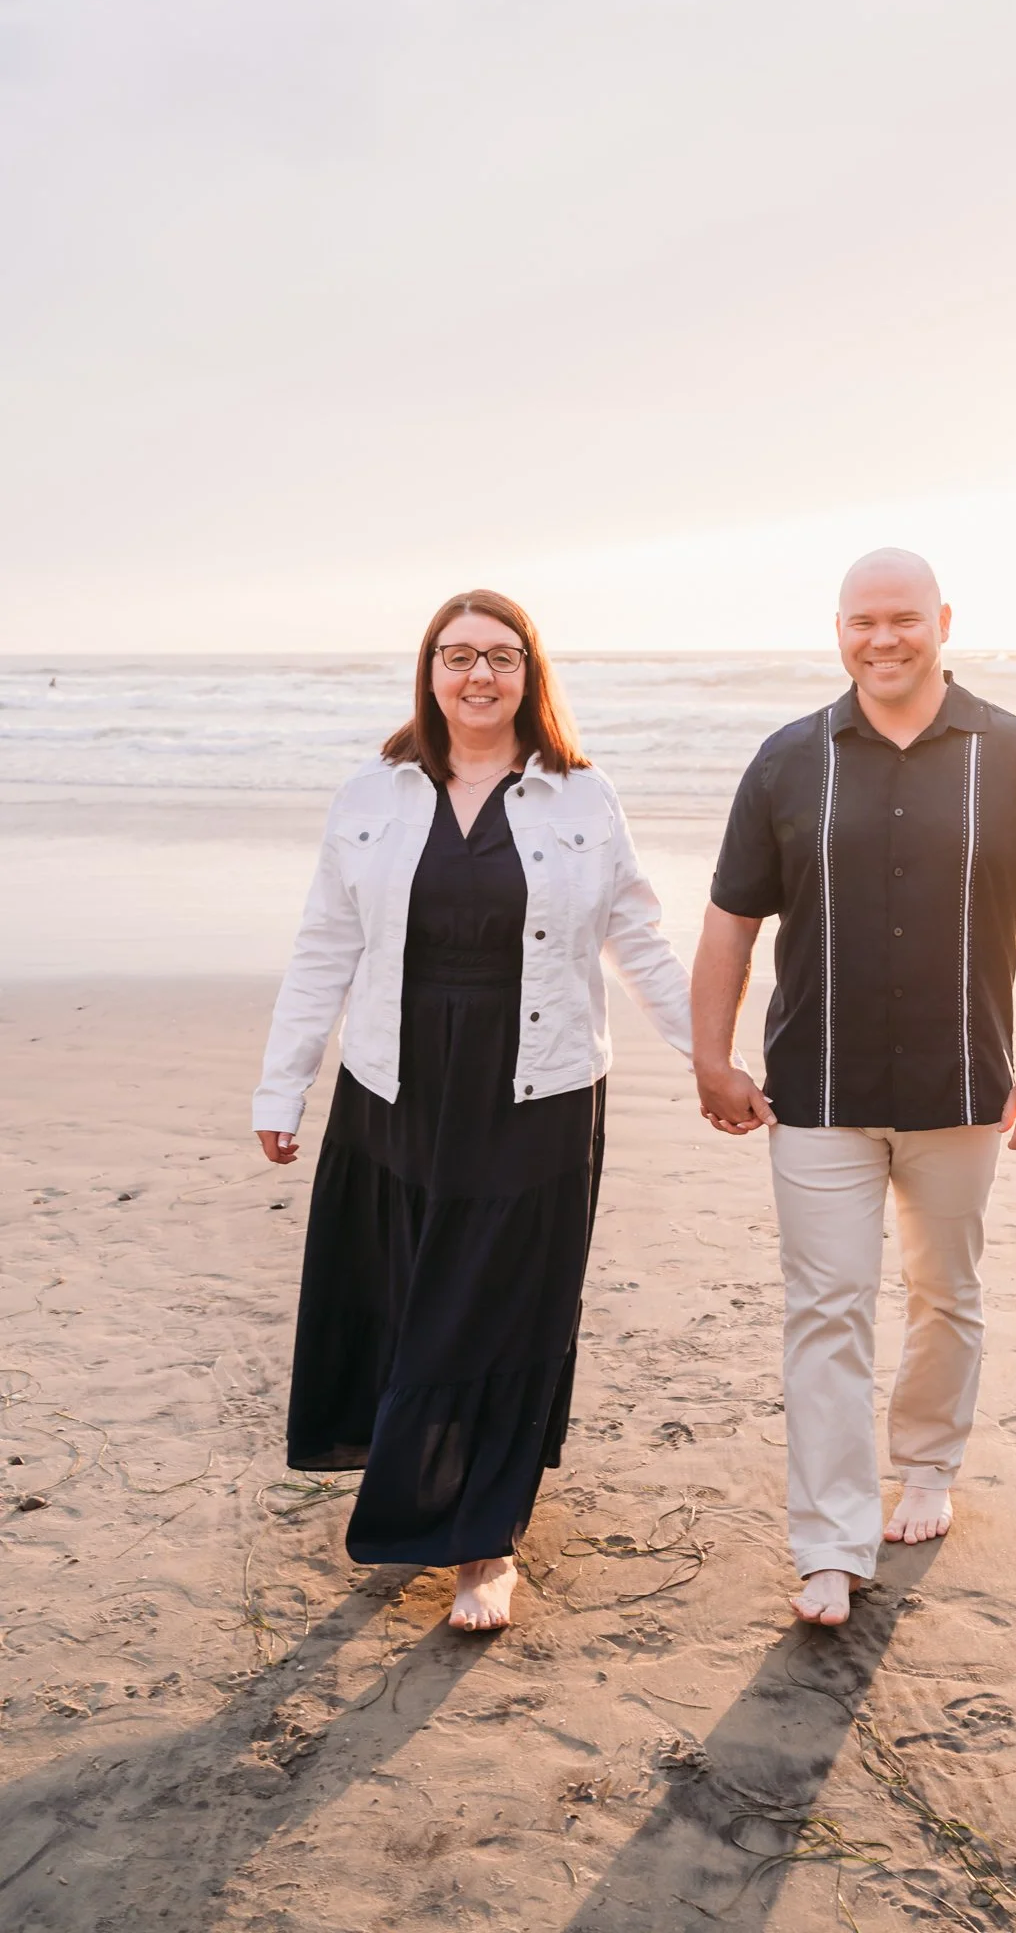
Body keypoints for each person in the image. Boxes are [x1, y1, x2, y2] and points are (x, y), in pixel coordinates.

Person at [691, 548, 1016, 1626]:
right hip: (818, 1088)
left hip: (964, 1085)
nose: (881, 640)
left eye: (901, 620)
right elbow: (730, 924)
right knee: (825, 1309)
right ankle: (829, 1544)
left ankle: (927, 1467)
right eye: (860, 622)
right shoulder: (788, 760)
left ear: (942, 621)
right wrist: (712, 1053)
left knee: (944, 1291)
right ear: (836, 629)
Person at [253, 589, 691, 1632]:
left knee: (503, 1303)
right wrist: (285, 1083)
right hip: (396, 1084)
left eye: (501, 656)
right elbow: (325, 945)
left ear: (531, 674)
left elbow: (639, 940)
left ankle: (483, 1542)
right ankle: (427, 1493)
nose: (479, 676)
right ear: (431, 672)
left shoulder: (583, 797)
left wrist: (713, 1058)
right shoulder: (372, 791)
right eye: (459, 656)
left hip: (535, 1083)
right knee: (412, 1296)